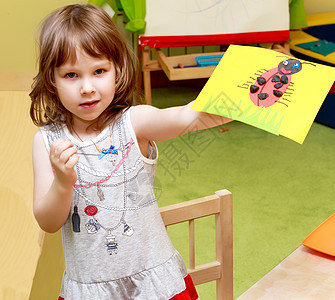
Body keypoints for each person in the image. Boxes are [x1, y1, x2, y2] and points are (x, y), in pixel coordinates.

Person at [30, 4, 231, 300]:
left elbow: (184, 118)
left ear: (117, 70)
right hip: (90, 289)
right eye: (71, 75)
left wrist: (242, 99)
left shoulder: (133, 123)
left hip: (154, 285)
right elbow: (48, 222)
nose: (87, 87)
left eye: (99, 71)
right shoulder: (46, 141)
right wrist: (62, 181)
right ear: (51, 79)